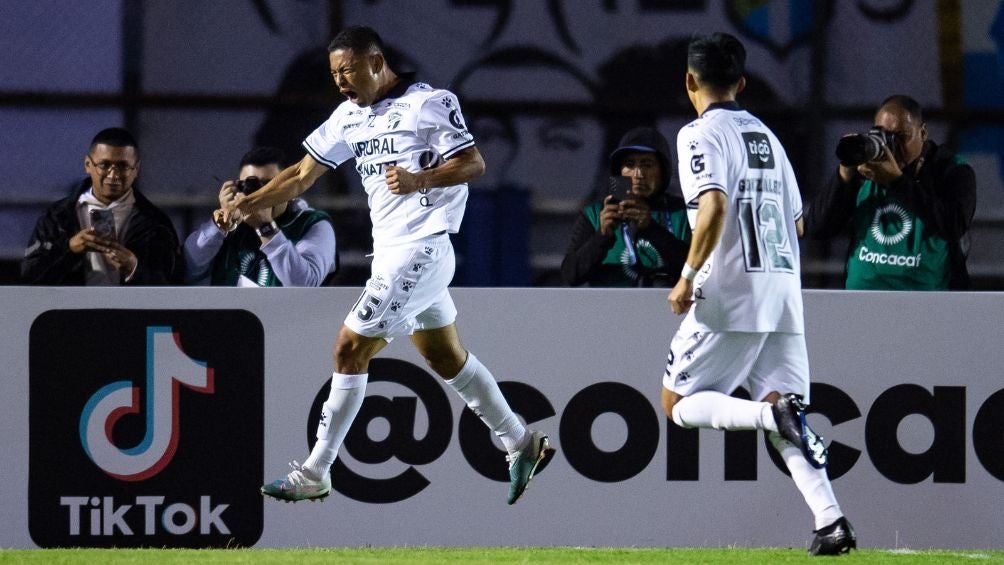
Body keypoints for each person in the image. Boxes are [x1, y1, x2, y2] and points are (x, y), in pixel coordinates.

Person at [224, 26, 554, 505]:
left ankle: (316, 470)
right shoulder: (348, 117)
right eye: (333, 73)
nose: (339, 81)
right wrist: (243, 206)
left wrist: (421, 177)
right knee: (444, 357)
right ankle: (520, 442)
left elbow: (472, 163)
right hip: (392, 254)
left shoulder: (429, 103)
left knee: (348, 349)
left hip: (422, 248)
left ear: (376, 63)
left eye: (347, 71)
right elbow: (298, 176)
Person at [662, 33, 856, 555]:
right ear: (742, 83)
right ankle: (831, 521)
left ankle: (770, 417)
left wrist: (686, 274)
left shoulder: (697, 134)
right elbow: (796, 224)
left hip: (730, 292)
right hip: (783, 291)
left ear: (689, 81)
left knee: (677, 404)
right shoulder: (768, 136)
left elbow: (714, 205)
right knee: (784, 407)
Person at [804, 95, 977, 290]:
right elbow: (817, 227)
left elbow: (954, 224)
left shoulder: (951, 170)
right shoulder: (865, 169)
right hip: (862, 300)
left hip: (928, 302)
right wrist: (844, 174)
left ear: (923, 132)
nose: (892, 146)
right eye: (883, 136)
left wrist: (897, 182)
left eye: (901, 137)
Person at [21, 127, 183, 285]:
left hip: (128, 312)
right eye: (104, 165)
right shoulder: (57, 217)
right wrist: (69, 249)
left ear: (136, 170)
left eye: (123, 166)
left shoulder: (156, 222)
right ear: (87, 165)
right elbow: (29, 277)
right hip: (69, 311)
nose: (113, 175)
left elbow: (174, 284)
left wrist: (133, 267)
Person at [184, 146, 337, 287]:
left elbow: (303, 285)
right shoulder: (230, 226)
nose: (258, 194)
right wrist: (219, 225)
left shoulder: (312, 224)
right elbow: (187, 269)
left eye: (268, 185)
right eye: (249, 185)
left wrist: (265, 227)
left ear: (289, 190)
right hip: (228, 314)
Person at [561, 127, 690, 287]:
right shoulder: (595, 214)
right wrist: (601, 236)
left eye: (647, 164)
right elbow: (570, 276)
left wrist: (652, 229)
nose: (638, 174)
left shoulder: (683, 214)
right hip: (609, 309)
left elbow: (698, 270)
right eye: (630, 164)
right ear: (619, 171)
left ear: (663, 171)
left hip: (665, 308)